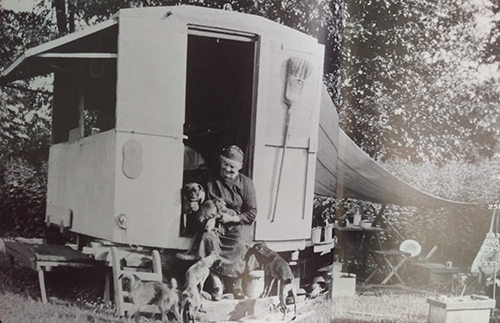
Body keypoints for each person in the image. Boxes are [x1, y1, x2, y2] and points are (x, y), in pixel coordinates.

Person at [197, 145, 257, 299]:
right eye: (225, 164)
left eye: (232, 167)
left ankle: (236, 286)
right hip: (217, 222)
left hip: (237, 224)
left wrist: (232, 219)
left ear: (240, 167)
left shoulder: (246, 184)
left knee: (239, 243)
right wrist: (211, 218)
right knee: (207, 239)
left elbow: (251, 213)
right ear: (220, 162)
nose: (228, 169)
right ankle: (216, 283)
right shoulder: (211, 180)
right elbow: (205, 203)